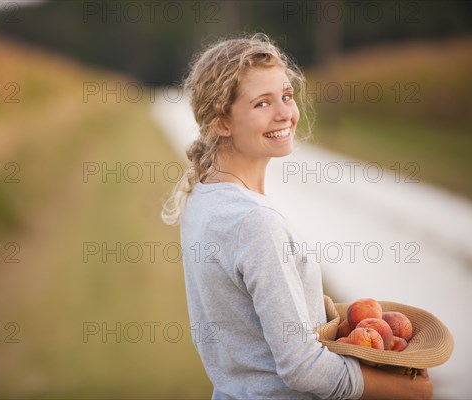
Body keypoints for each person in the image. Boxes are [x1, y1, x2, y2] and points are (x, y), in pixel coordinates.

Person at [161, 33, 433, 399]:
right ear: (222, 122)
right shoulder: (253, 222)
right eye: (262, 103)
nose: (285, 113)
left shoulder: (203, 196)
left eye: (286, 96)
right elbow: (302, 367)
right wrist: (406, 390)